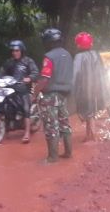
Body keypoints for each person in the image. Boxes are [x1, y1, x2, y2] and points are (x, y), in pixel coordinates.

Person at [34, 28, 73, 163]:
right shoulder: (68, 55)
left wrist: (35, 92)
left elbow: (44, 78)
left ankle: (52, 157)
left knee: (51, 125)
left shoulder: (49, 57)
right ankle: (68, 152)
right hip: (64, 95)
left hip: (50, 95)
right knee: (64, 123)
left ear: (48, 41)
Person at [0, 40, 39, 143]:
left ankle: (27, 132)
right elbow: (2, 72)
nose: (15, 53)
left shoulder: (28, 61)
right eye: (13, 51)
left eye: (17, 50)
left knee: (25, 108)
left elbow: (35, 72)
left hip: (24, 89)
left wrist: (29, 78)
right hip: (10, 88)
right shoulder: (9, 62)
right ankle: (7, 125)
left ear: (21, 51)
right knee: (3, 103)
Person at [73, 32, 110, 142]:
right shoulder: (96, 54)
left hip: (84, 89)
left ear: (78, 45)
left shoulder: (79, 57)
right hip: (96, 88)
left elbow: (76, 73)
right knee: (91, 112)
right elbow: (102, 71)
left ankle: (92, 136)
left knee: (88, 113)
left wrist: (72, 87)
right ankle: (89, 135)